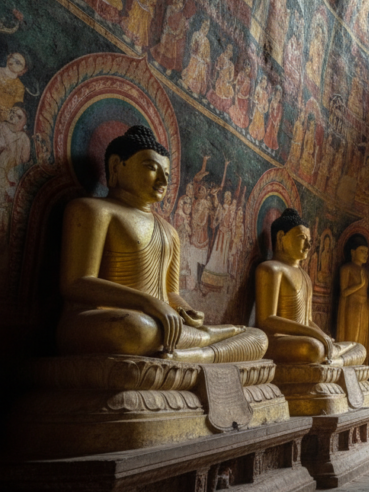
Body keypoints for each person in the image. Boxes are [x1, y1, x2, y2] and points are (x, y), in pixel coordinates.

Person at [56, 126, 267, 362]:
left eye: (167, 173)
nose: (163, 180)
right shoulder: (93, 210)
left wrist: (184, 309)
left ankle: (191, 355)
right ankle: (195, 353)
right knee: (138, 329)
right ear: (116, 166)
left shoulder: (169, 232)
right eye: (151, 167)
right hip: (108, 322)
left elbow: (171, 293)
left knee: (257, 338)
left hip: (162, 325)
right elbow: (76, 283)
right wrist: (147, 302)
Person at [255, 208, 364, 366]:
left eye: (310, 240)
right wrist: (314, 334)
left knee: (358, 347)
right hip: (279, 340)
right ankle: (332, 360)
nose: (308, 245)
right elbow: (266, 320)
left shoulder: (305, 276)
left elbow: (308, 320)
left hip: (305, 338)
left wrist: (322, 335)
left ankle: (331, 361)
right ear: (280, 237)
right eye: (302, 238)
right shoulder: (271, 269)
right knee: (314, 348)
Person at [337, 236, 369, 354]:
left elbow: (367, 293)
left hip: (365, 307)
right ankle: (349, 360)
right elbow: (344, 292)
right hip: (352, 306)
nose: (365, 254)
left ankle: (360, 361)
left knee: (362, 336)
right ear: (353, 252)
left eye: (367, 252)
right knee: (352, 336)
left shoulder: (366, 272)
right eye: (362, 251)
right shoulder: (346, 269)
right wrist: (359, 285)